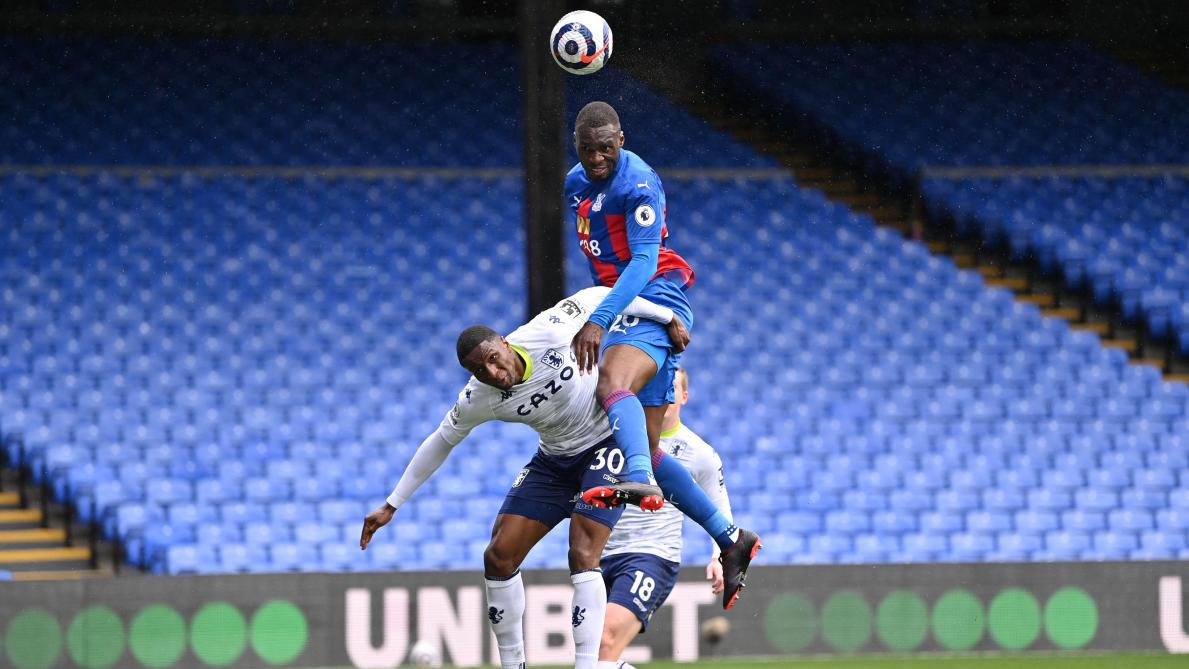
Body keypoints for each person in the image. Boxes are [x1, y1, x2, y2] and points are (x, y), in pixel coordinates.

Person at [358, 286, 688, 669]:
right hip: (555, 460)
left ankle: (586, 666)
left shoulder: (547, 330)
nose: (495, 374)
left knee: (582, 550)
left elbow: (601, 294)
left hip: (603, 443)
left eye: (495, 360)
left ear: (504, 342)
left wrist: (666, 317)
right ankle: (513, 665)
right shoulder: (477, 397)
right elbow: (440, 442)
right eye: (481, 371)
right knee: (498, 556)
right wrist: (391, 504)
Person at [564, 100, 759, 608]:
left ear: (621, 140)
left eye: (606, 147)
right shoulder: (574, 186)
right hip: (633, 306)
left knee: (612, 384)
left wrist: (602, 319)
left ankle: (634, 478)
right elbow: (601, 266)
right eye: (588, 149)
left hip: (658, 294)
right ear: (577, 146)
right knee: (648, 446)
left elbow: (644, 260)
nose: (598, 157)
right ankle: (730, 537)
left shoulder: (641, 183)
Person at [597, 368, 735, 669]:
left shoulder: (700, 454)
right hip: (600, 557)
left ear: (684, 396)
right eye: (658, 387)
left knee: (604, 640)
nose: (666, 395)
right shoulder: (620, 436)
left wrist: (720, 557)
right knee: (593, 659)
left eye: (673, 389)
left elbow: (720, 507)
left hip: (652, 556)